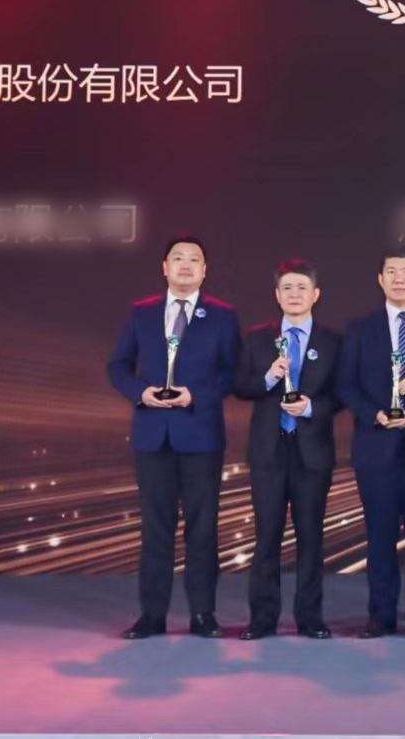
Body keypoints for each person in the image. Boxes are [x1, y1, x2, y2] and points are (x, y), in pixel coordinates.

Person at [105, 235, 241, 639]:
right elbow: (117, 365)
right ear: (164, 267)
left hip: (201, 435)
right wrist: (140, 393)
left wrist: (196, 395)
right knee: (155, 529)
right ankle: (152, 615)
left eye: (194, 259)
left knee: (203, 529)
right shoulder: (142, 312)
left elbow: (233, 373)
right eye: (177, 258)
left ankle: (203, 615)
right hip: (153, 436)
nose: (185, 265)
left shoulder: (222, 316)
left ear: (205, 270)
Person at [333, 249, 405, 639]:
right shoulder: (360, 329)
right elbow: (345, 386)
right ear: (380, 279)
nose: (399, 278)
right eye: (391, 271)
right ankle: (380, 615)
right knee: (380, 537)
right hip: (376, 447)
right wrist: (376, 414)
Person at [232, 259, 340, 640]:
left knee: (311, 539)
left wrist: (310, 407)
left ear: (316, 294)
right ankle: (262, 619)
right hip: (269, 450)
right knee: (267, 538)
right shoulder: (256, 339)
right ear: (277, 296)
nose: (295, 295)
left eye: (302, 288)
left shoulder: (332, 342)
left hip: (312, 452)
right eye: (287, 289)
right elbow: (239, 385)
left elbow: (342, 394)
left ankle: (310, 618)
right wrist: (268, 378)